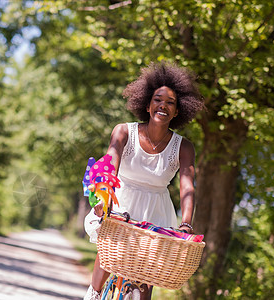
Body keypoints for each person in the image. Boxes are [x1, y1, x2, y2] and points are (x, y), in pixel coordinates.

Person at [83, 61, 205, 300]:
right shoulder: (124, 131)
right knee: (108, 256)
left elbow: (187, 186)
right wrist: (104, 198)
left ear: (178, 111)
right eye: (158, 100)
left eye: (171, 103)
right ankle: (94, 294)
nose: (163, 106)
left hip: (156, 210)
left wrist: (186, 224)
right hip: (120, 199)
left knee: (145, 280)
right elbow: (110, 163)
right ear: (147, 105)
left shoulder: (184, 147)